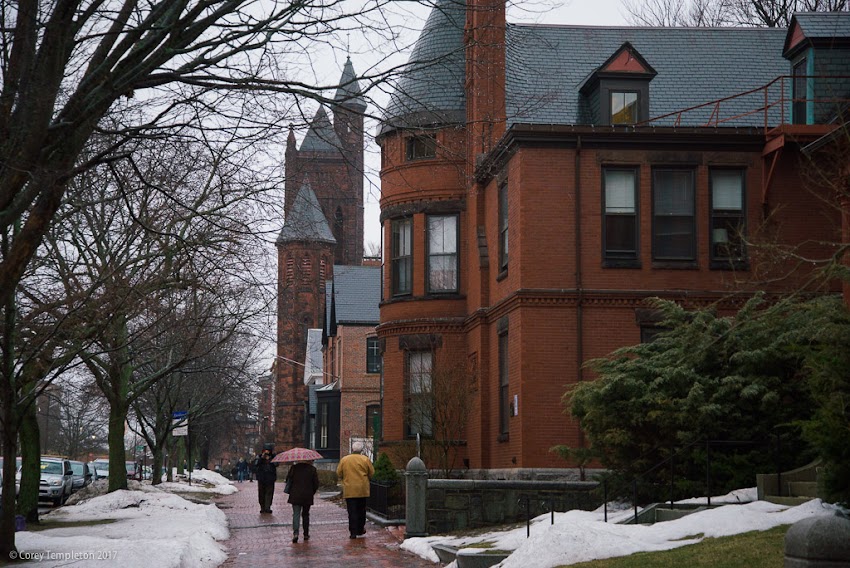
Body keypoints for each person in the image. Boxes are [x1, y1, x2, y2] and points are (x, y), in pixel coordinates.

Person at [336, 441, 374, 539]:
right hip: (362, 489)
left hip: (350, 489)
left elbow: (339, 473)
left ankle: (353, 532)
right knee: (361, 510)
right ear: (361, 450)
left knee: (352, 511)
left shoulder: (345, 460)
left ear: (352, 449)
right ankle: (360, 529)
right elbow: (372, 473)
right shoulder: (365, 459)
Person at [285, 461, 319, 543]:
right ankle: (306, 534)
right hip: (307, 495)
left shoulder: (294, 468)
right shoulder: (312, 469)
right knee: (306, 514)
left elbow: (288, 480)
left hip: (295, 494)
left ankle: (296, 533)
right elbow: (316, 484)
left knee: (296, 514)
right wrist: (312, 492)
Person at [254, 449, 278, 513]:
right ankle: (262, 507)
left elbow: (276, 464)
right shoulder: (259, 457)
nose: (267, 452)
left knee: (269, 493)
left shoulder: (273, 457)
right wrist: (262, 457)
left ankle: (267, 507)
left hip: (270, 478)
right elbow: (256, 464)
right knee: (261, 493)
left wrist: (271, 459)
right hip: (262, 478)